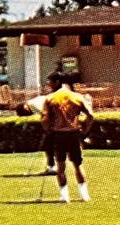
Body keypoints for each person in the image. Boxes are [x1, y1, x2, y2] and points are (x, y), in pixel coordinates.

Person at [41, 72, 96, 203]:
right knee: (78, 165)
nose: (49, 86)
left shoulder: (50, 98)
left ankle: (64, 197)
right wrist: (85, 131)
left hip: (58, 134)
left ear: (57, 82)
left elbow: (44, 119)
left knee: (60, 167)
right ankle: (84, 195)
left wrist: (47, 130)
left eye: (51, 83)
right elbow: (91, 116)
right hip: (74, 133)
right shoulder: (77, 97)